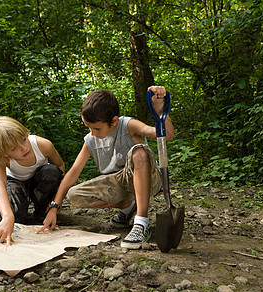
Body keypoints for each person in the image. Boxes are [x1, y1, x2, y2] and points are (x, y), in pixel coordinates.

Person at [37, 86, 174, 249]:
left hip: (148, 178)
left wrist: (160, 109)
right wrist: (55, 206)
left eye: (96, 128)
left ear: (114, 121)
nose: (92, 133)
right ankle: (127, 205)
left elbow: (165, 134)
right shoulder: (91, 140)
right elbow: (73, 173)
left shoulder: (128, 125)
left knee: (139, 152)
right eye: (88, 127)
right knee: (73, 195)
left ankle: (141, 223)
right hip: (119, 184)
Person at [0, 116, 65, 245]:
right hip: (14, 183)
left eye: (24, 140)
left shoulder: (43, 145)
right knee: (16, 218)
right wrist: (7, 216)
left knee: (51, 171)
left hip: (37, 182)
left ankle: (42, 211)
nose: (24, 148)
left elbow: (60, 168)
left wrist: (54, 203)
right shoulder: (2, 159)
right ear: (4, 152)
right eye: (14, 148)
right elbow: (0, 185)